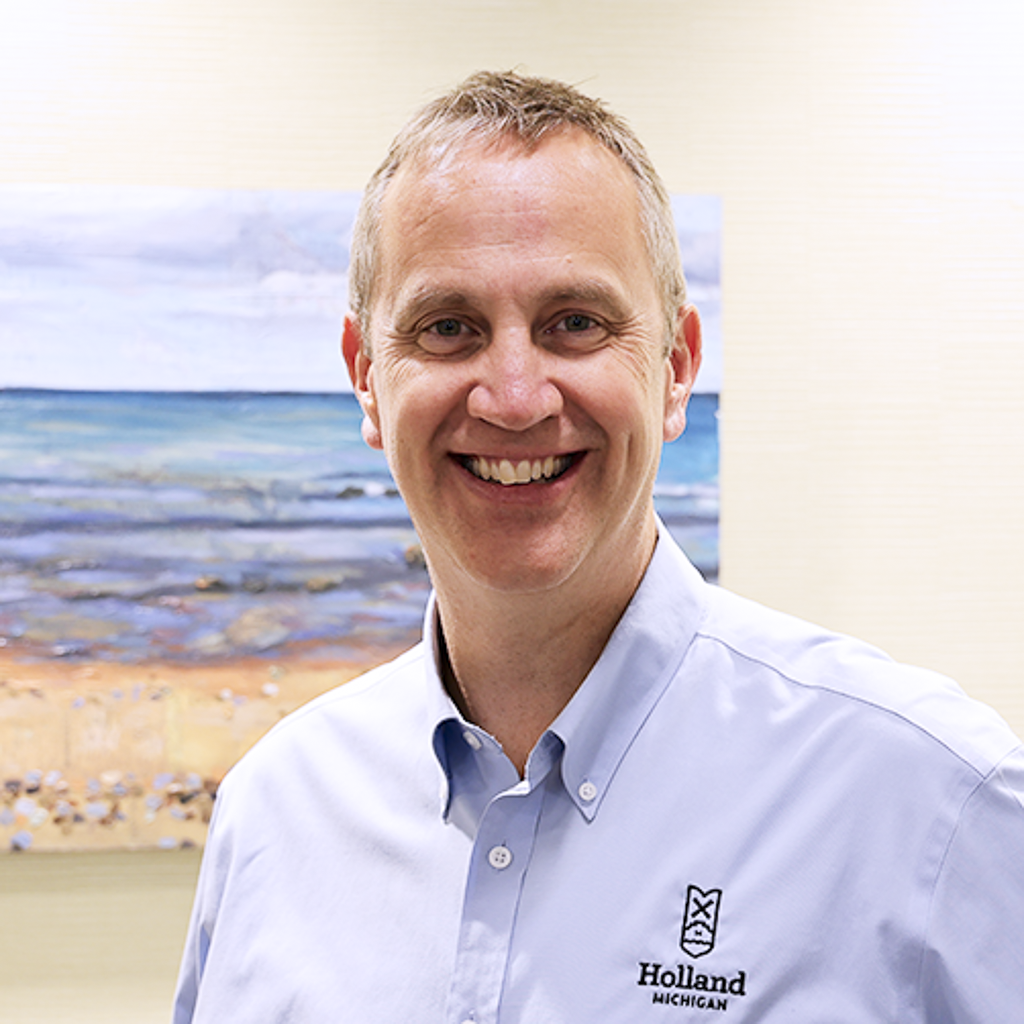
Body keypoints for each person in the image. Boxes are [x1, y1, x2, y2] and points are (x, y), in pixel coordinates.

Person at [172, 71, 1024, 1023]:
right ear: (367, 379)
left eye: (574, 323)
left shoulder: (929, 803)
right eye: (448, 328)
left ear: (676, 369)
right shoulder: (273, 814)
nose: (514, 395)